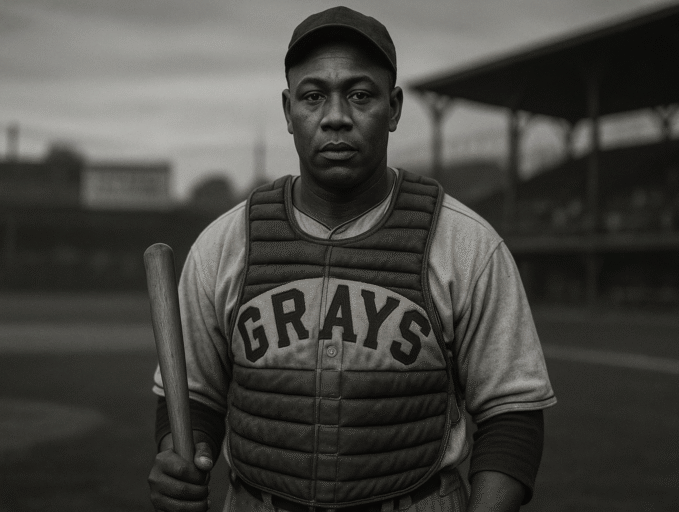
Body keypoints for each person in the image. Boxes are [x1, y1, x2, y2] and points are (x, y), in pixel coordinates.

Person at [148, 6, 556, 512]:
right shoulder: (224, 244)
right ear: (288, 110)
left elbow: (510, 416)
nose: (336, 116)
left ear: (394, 106)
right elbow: (193, 398)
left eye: (360, 95)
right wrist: (181, 456)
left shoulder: (467, 243)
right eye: (313, 96)